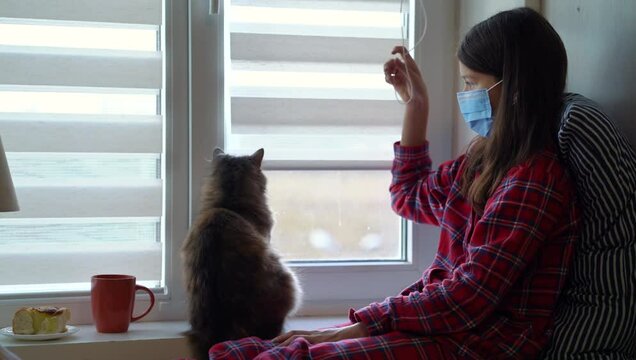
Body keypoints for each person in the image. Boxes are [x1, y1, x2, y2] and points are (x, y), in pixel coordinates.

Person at [209, 7, 580, 359]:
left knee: (301, 353)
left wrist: (362, 325)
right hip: (443, 328)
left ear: (514, 88)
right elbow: (410, 198)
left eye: (472, 83)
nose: (466, 96)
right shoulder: (482, 163)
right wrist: (415, 107)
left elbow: (468, 298)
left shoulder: (535, 180)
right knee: (265, 349)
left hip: (479, 344)